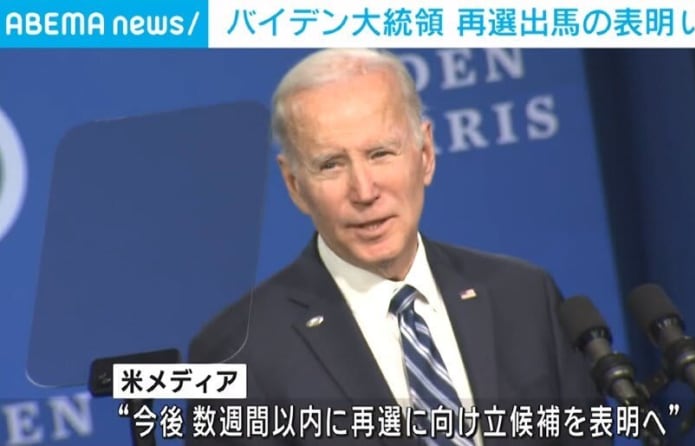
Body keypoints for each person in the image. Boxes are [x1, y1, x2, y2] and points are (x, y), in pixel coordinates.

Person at [188, 48, 610, 445]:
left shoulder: (524, 296)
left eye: (380, 153)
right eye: (331, 164)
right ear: (295, 185)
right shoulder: (235, 354)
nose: (364, 191)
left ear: (425, 154)